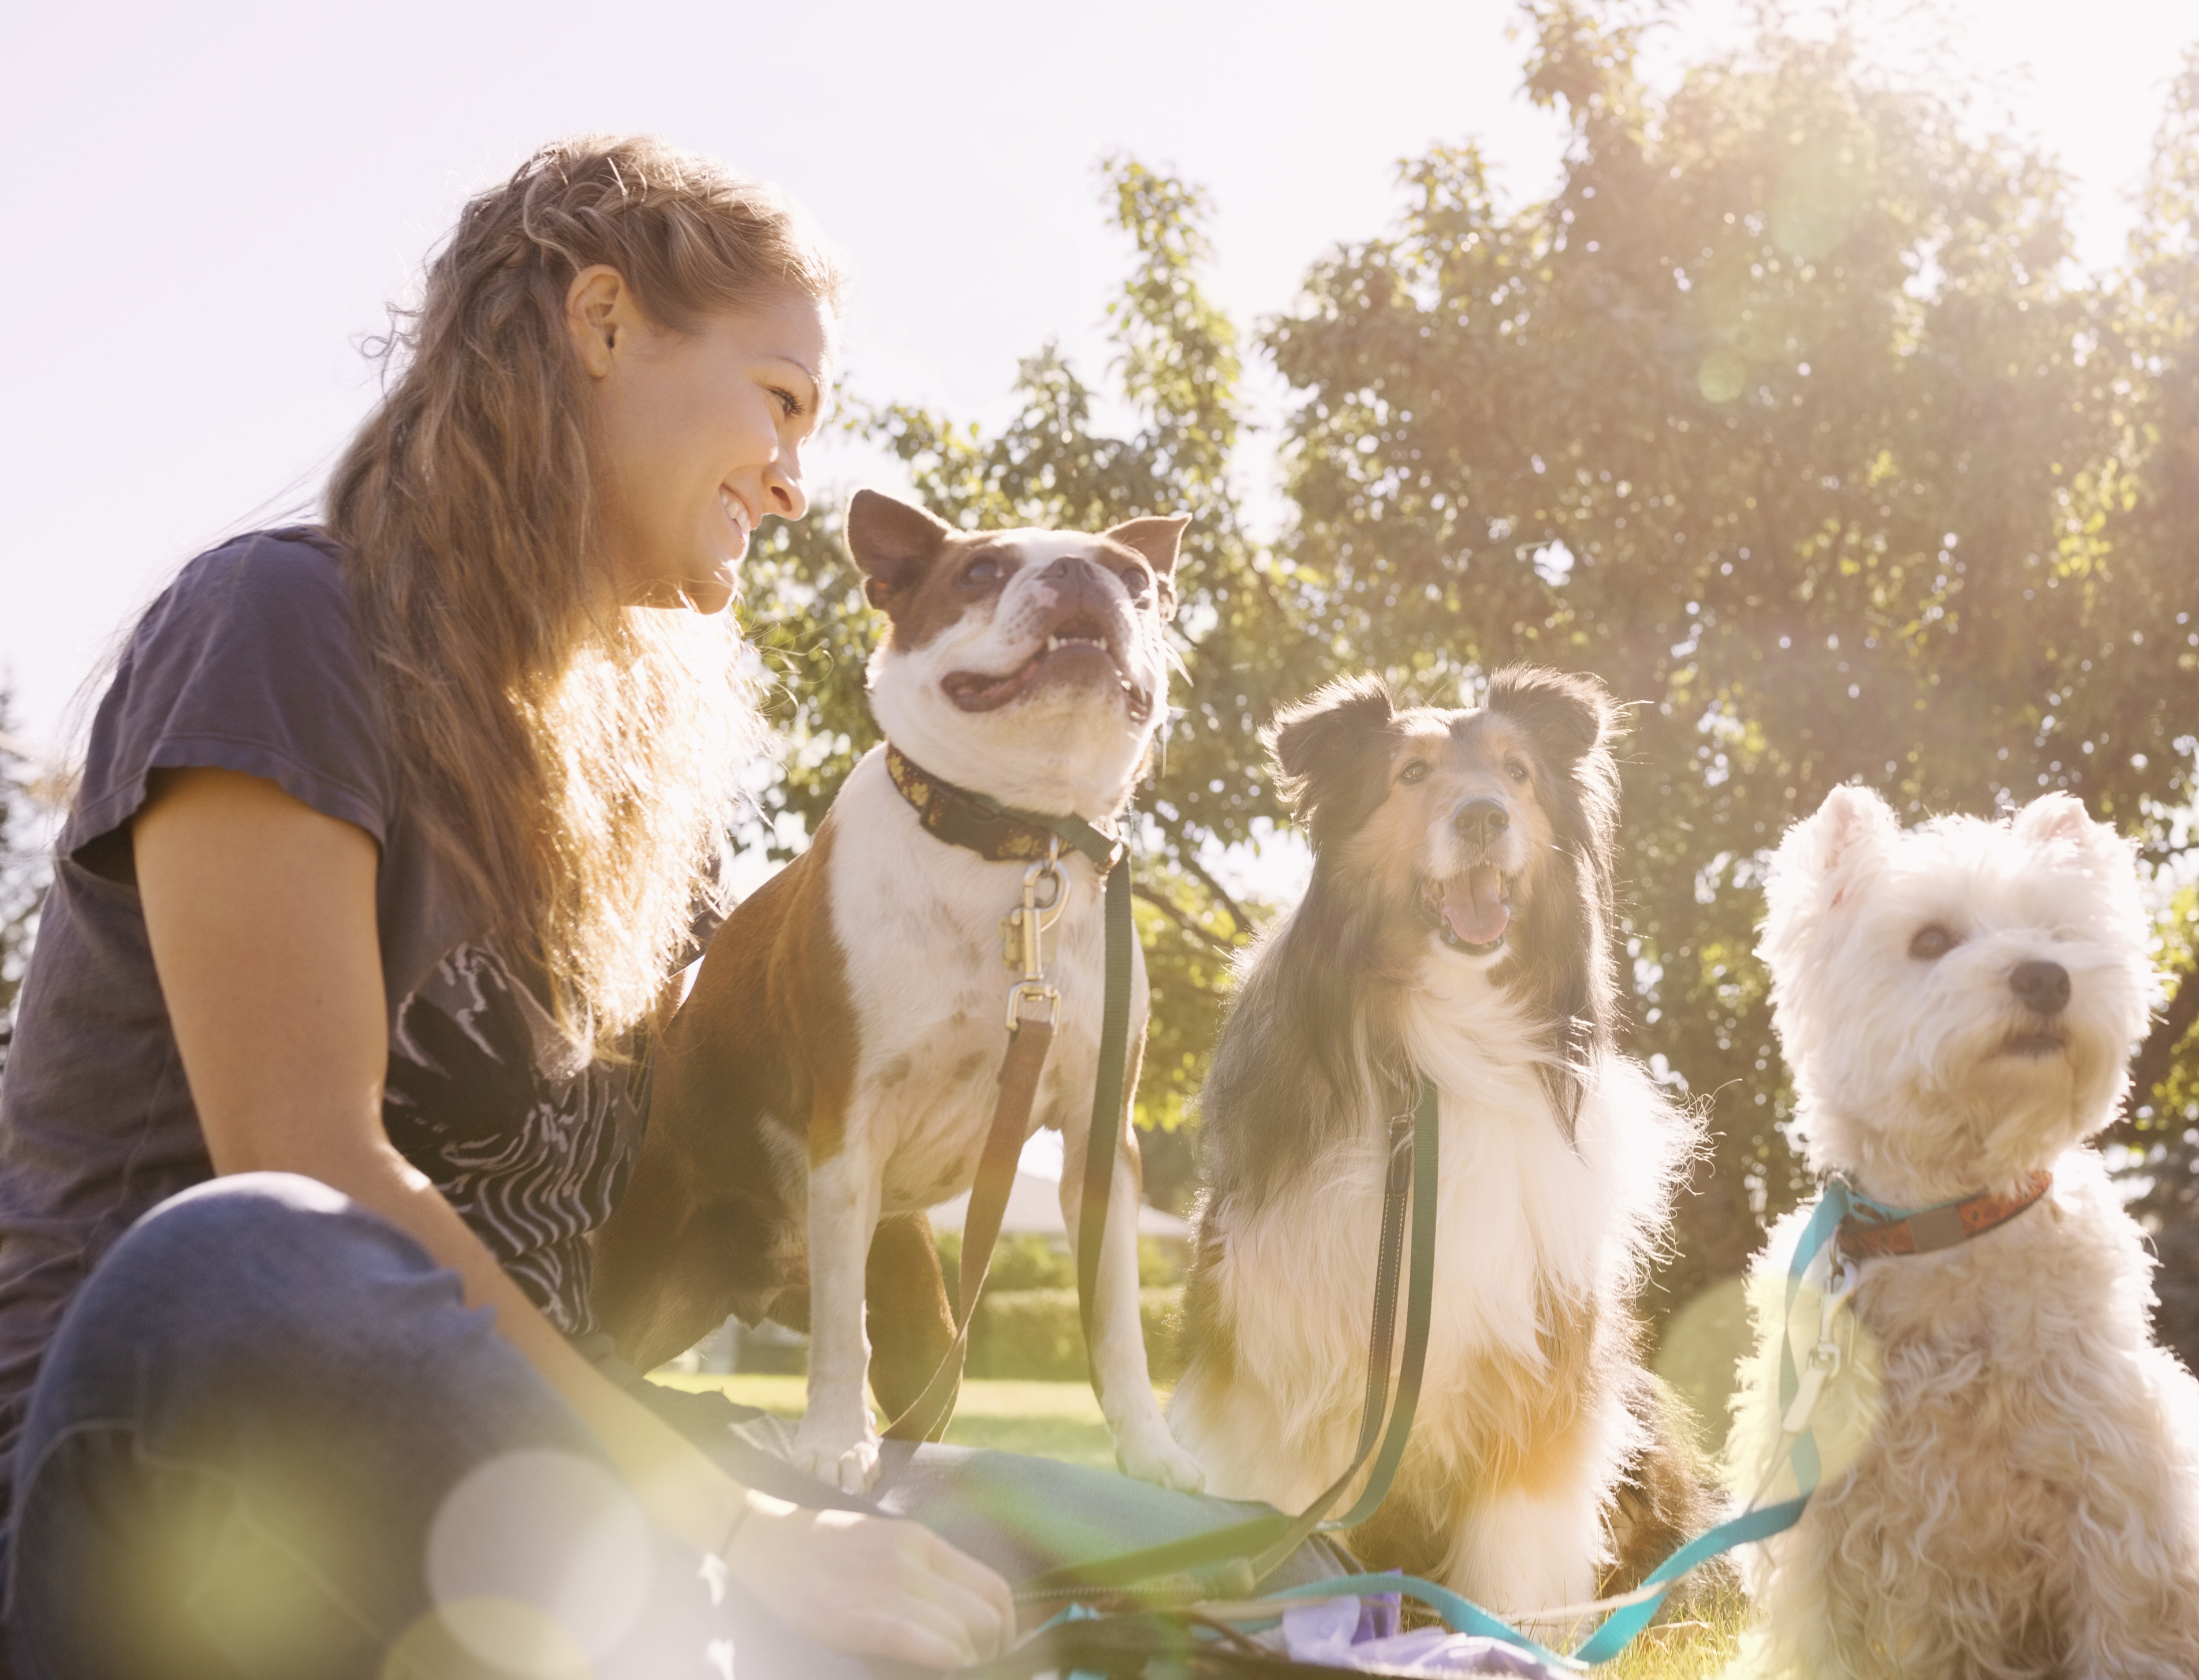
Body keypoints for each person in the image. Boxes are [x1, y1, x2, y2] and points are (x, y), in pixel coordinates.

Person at [0, 136, 1266, 1680]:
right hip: (177, 1498)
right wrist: (734, 1529)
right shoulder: (281, 630)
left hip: (543, 1499)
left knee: (1151, 1544)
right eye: (779, 400)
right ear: (603, 326)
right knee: (259, 1247)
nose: (797, 477)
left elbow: (734, 1176)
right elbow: (309, 1160)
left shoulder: (648, 795)